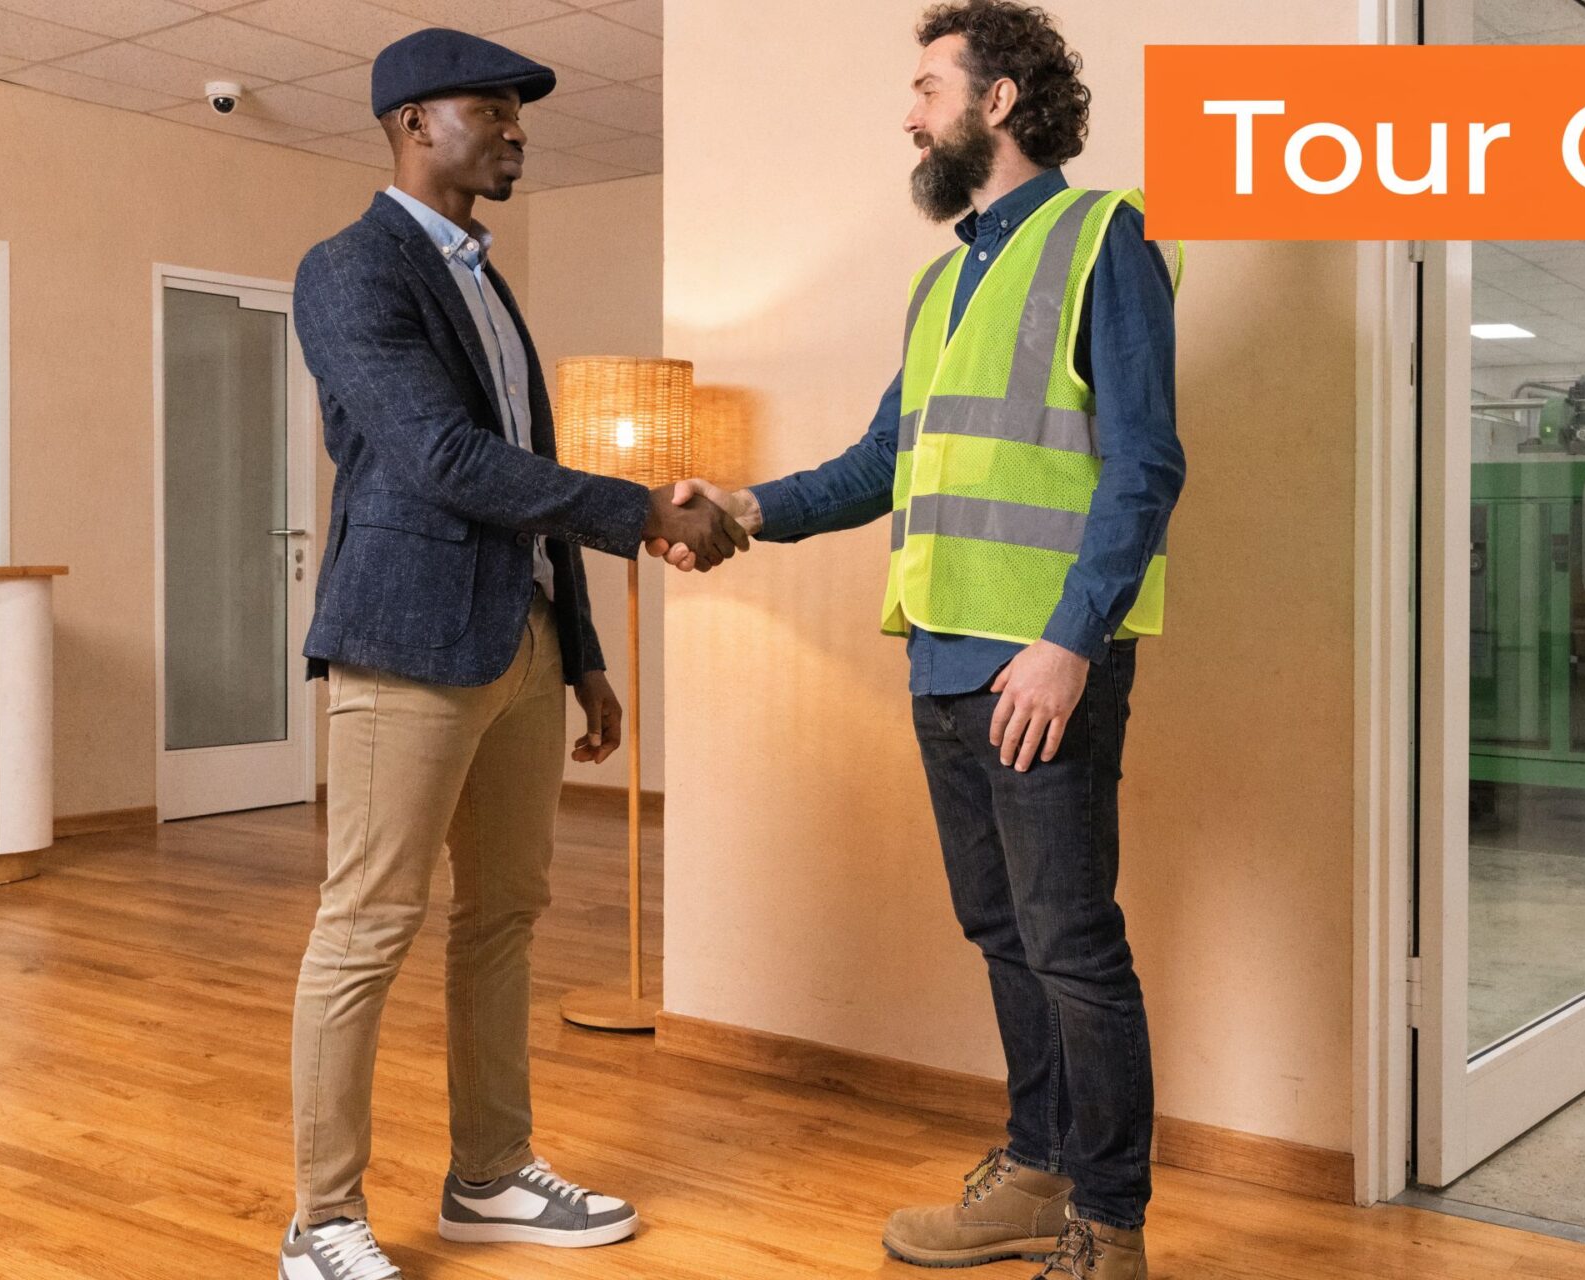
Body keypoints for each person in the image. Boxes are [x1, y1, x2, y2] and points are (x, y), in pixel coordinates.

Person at [660, 4, 1181, 1277]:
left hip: (1039, 667)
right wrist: (747, 508)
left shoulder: (1105, 237)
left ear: (998, 102)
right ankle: (1035, 1166)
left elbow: (1144, 464)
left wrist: (1067, 642)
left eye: (925, 87)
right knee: (1003, 931)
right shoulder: (942, 278)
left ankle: (1109, 1225)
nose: (907, 113)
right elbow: (883, 463)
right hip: (942, 656)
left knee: (1070, 939)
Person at [280, 26, 746, 1280]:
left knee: (505, 919)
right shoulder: (347, 270)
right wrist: (649, 510)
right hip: (406, 641)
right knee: (367, 924)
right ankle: (320, 1218)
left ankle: (488, 1174)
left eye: (516, 112)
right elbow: (444, 460)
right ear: (411, 122)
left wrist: (584, 646)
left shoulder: (487, 281)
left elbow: (523, 488)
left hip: (524, 644)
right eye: (490, 110)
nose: (514, 129)